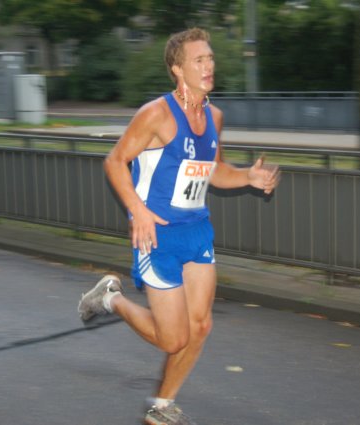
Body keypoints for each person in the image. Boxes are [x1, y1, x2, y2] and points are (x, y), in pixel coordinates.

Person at [78, 27, 280, 425]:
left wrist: (247, 177)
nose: (208, 65)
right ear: (177, 68)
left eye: (210, 58)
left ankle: (162, 406)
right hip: (157, 235)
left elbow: (213, 170)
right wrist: (137, 210)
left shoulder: (214, 116)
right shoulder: (156, 114)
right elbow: (114, 161)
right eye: (198, 60)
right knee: (173, 339)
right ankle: (110, 299)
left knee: (200, 326)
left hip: (196, 230)